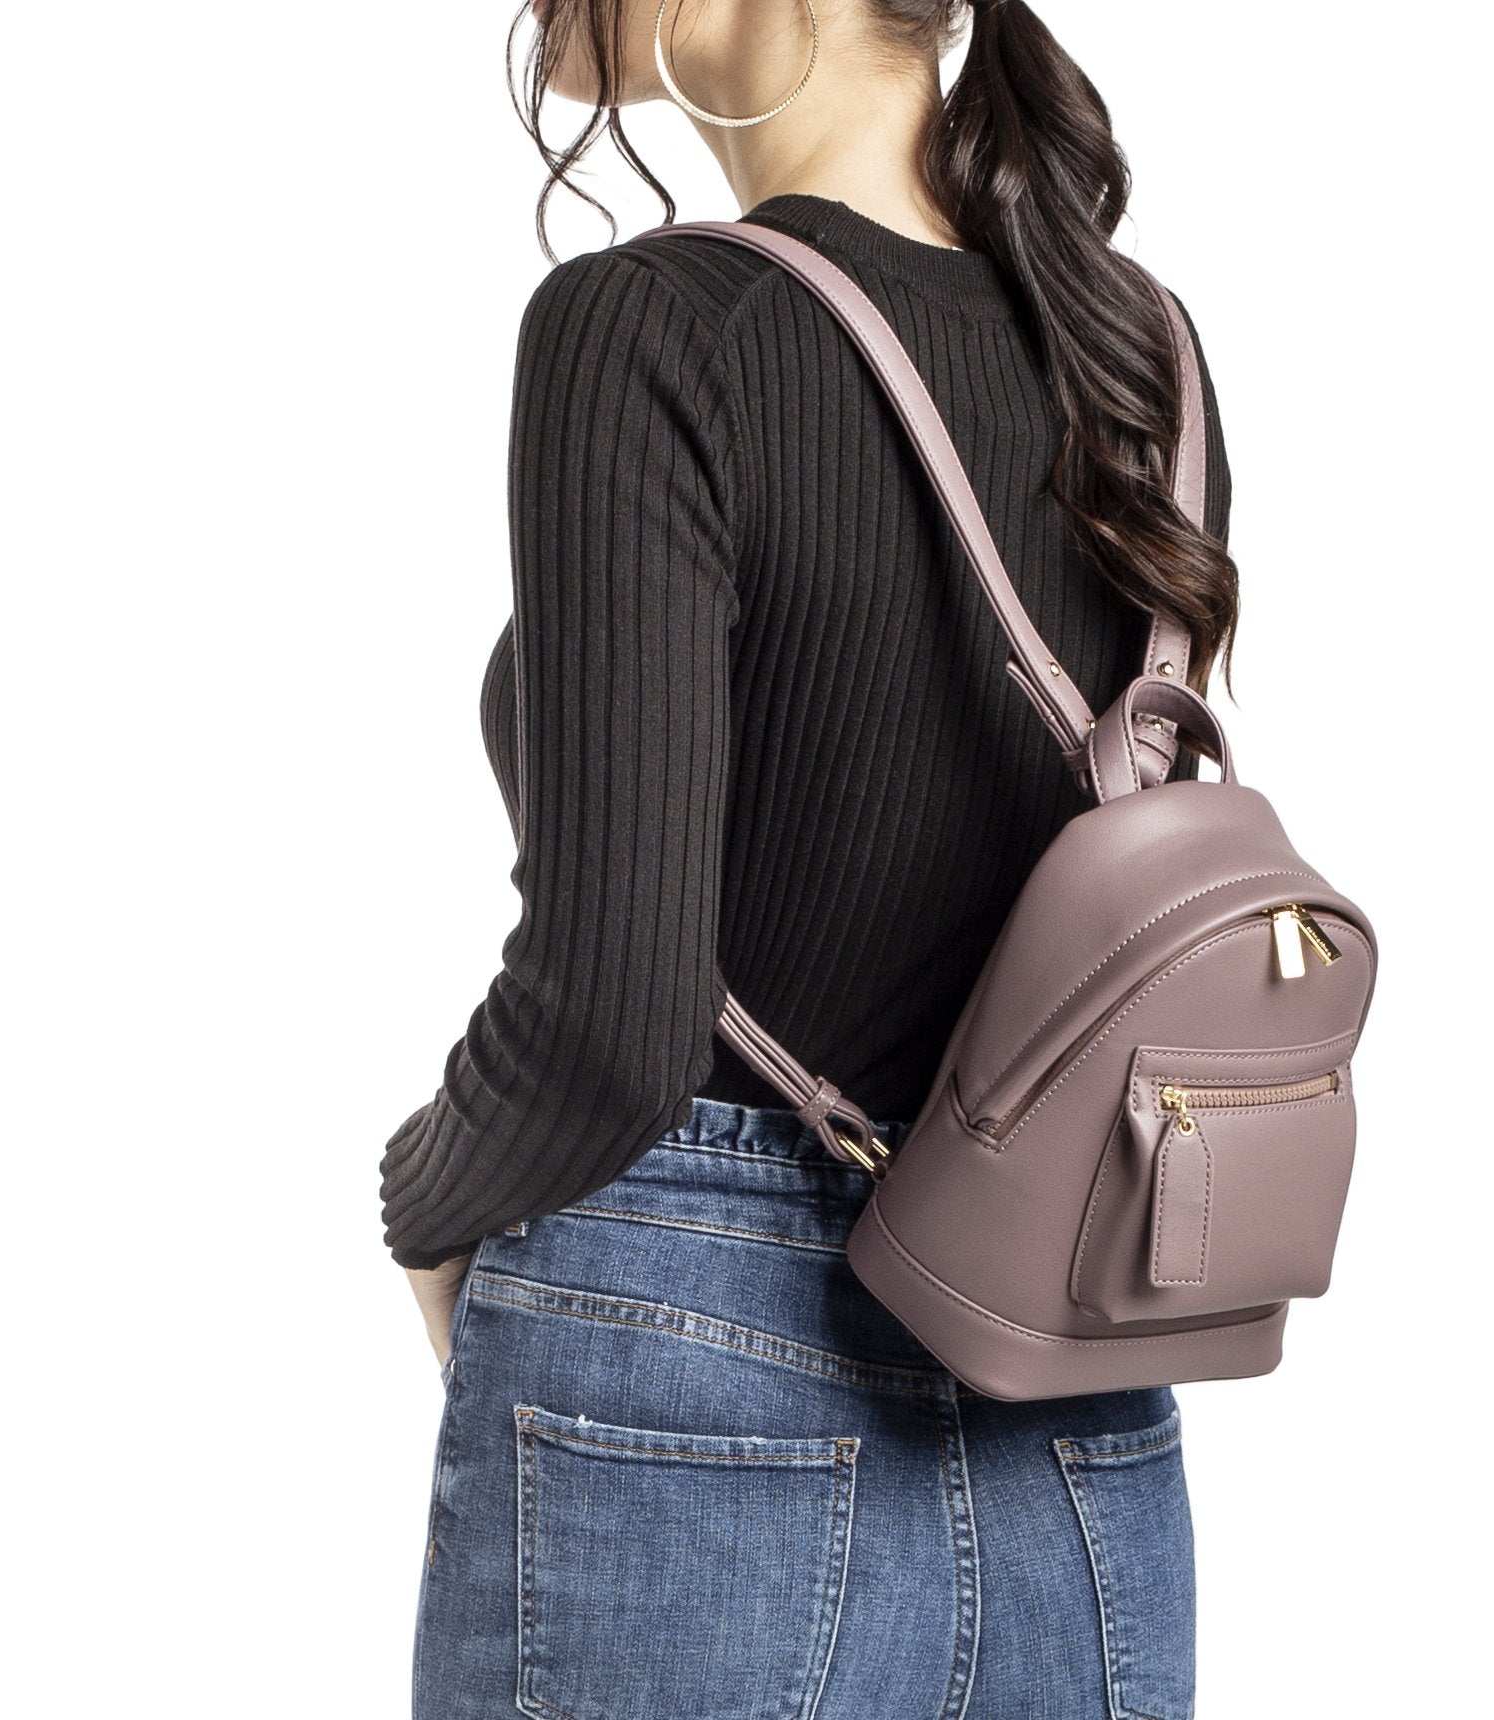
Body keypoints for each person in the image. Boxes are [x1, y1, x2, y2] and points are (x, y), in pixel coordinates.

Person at [382, 2, 1237, 1714]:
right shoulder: (1142, 355)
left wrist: (423, 1207)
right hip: (1080, 1423)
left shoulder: (650, 327)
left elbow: (608, 1022)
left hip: (689, 1376)